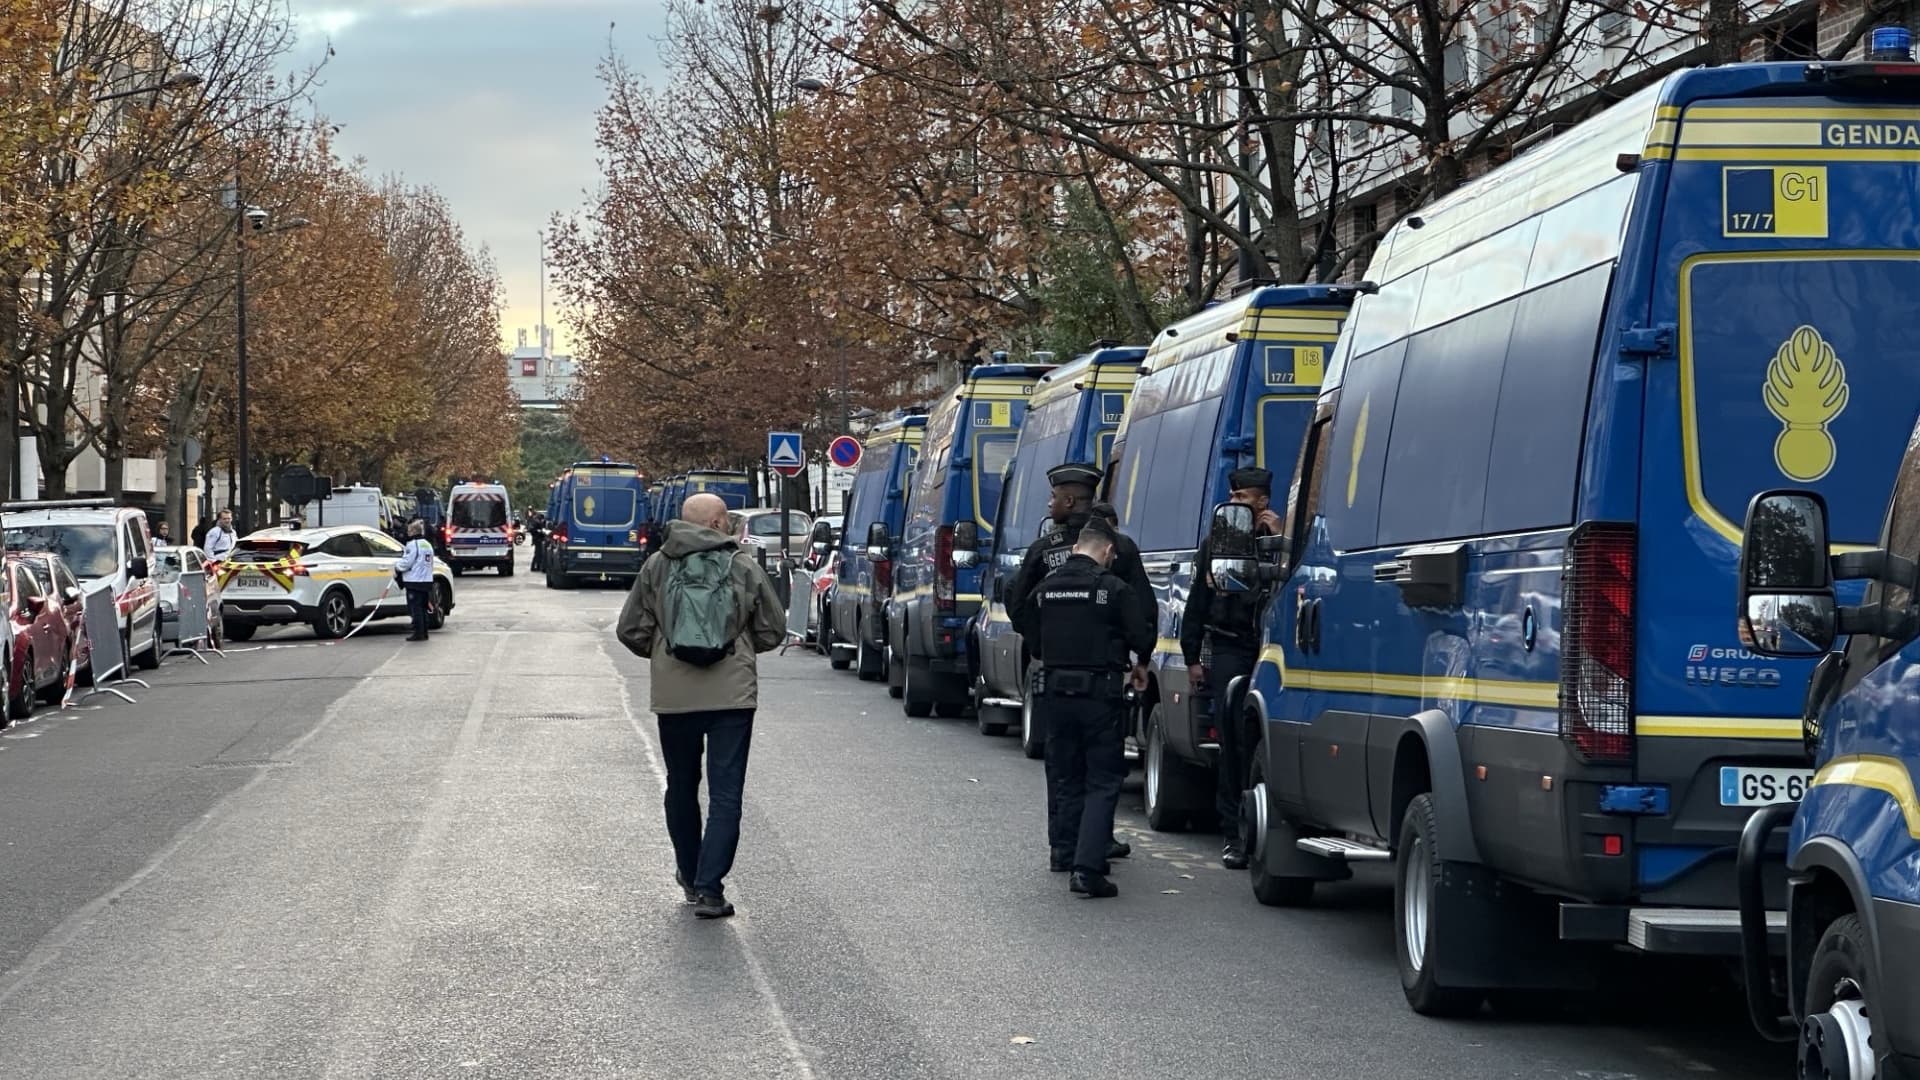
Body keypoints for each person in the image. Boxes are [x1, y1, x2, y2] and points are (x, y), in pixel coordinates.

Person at [616, 492, 785, 920]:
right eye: (725, 519)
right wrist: (740, 648)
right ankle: (711, 890)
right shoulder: (743, 565)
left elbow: (630, 629)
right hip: (732, 695)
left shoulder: (657, 565)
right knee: (726, 794)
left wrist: (664, 654)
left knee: (681, 785)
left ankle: (690, 877)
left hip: (674, 697)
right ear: (715, 523)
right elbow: (773, 628)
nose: (729, 525)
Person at [1005, 463, 1153, 866]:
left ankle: (1062, 847)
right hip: (1105, 675)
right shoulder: (1118, 548)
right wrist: (1138, 657)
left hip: (1053, 673)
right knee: (1103, 769)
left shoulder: (1042, 551)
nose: (1050, 503)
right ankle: (1096, 843)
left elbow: (1018, 606)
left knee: (1063, 768)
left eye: (1054, 497)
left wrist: (1042, 645)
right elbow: (1143, 609)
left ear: (1070, 501)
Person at [1180, 467, 1284, 870]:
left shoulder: (1280, 541)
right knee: (1232, 737)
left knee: (1266, 741)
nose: (1236, 505)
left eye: (1243, 499)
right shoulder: (1219, 542)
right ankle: (1234, 832)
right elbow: (1198, 601)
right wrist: (1192, 657)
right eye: (1234, 498)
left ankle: (1268, 825)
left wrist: (1279, 537)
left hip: (1271, 648)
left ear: (1262, 501)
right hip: (1229, 645)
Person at [394, 520, 437, 642]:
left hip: (414, 581)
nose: (407, 533)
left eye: (408, 530)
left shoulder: (412, 545)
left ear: (413, 531)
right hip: (426, 580)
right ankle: (424, 632)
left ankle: (418, 633)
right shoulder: (427, 544)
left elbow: (407, 562)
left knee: (415, 608)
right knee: (423, 607)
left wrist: (397, 568)